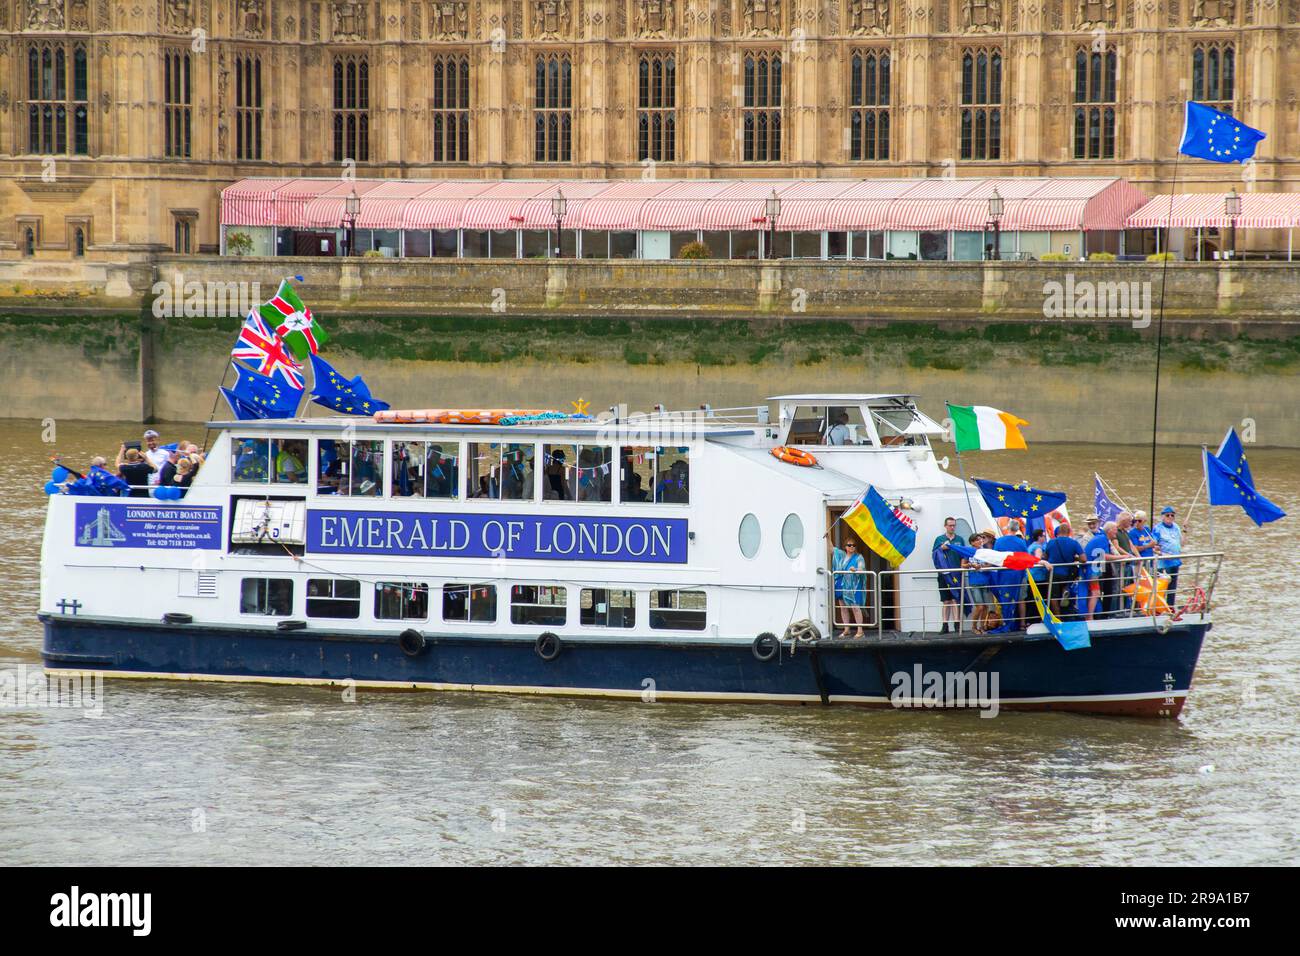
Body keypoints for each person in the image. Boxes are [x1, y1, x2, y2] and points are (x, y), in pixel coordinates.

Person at [1043, 524, 1086, 619]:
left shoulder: (1051, 542)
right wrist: (1075, 558)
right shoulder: (1073, 543)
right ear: (1069, 532)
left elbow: (1045, 557)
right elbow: (1083, 559)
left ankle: (1057, 616)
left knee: (1053, 595)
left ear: (1058, 532)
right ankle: (1065, 591)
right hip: (1067, 573)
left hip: (1053, 572)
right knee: (1066, 586)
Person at [931, 516, 963, 634]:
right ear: (945, 526)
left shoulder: (959, 539)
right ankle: (945, 626)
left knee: (955, 599)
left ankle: (957, 625)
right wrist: (941, 548)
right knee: (946, 601)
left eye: (954, 525)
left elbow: (963, 554)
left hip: (956, 573)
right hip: (944, 574)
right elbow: (934, 554)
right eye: (950, 525)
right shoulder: (939, 539)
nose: (952, 527)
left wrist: (961, 569)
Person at [832, 539, 867, 638]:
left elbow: (862, 568)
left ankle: (860, 631)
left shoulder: (859, 557)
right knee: (843, 607)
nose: (852, 547)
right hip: (841, 584)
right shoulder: (842, 556)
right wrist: (828, 538)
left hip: (854, 586)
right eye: (849, 545)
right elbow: (831, 549)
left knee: (855, 607)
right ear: (845, 547)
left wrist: (855, 569)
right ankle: (846, 629)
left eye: (854, 545)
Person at [1151, 505, 1184, 605]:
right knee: (1162, 587)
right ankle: (1158, 607)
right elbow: (1153, 546)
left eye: (1172, 515)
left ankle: (1170, 607)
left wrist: (1185, 530)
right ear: (1162, 516)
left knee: (1172, 587)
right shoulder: (1158, 529)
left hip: (1175, 561)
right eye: (1167, 515)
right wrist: (1162, 553)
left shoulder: (1176, 527)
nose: (1170, 517)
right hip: (1163, 563)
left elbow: (1182, 543)